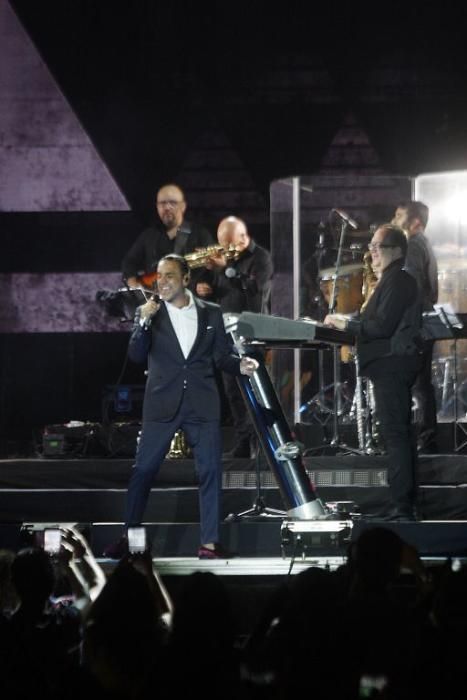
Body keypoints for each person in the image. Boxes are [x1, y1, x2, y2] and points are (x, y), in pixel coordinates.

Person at [104, 254, 258, 560]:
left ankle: (209, 543)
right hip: (162, 404)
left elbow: (219, 357)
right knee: (144, 471)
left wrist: (240, 364)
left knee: (211, 471)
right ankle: (130, 537)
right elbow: (136, 355)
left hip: (202, 403)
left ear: (186, 279)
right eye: (160, 277)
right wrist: (144, 320)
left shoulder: (211, 312)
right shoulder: (150, 312)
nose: (162, 282)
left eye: (170, 276)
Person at [324, 224, 423, 521]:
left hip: (392, 365)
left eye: (377, 247)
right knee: (398, 435)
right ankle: (404, 504)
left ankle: (402, 507)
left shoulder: (399, 281)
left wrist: (344, 324)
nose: (371, 253)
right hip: (388, 365)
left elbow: (382, 327)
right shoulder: (390, 281)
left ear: (396, 251)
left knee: (396, 436)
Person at [208, 216, 273, 458]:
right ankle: (244, 442)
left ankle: (262, 444)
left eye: (228, 244)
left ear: (243, 238)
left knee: (254, 389)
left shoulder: (261, 258)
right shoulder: (228, 261)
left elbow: (255, 289)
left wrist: (226, 268)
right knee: (232, 390)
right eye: (222, 244)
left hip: (251, 332)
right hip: (226, 332)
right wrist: (208, 287)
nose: (225, 249)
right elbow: (223, 292)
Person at [392, 201, 439, 452]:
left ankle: (423, 439)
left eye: (399, 215)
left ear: (416, 223)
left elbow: (410, 285)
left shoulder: (412, 245)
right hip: (423, 322)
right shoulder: (425, 244)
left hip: (414, 323)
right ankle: (427, 438)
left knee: (417, 384)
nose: (394, 219)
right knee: (422, 384)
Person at [121, 182, 214, 297]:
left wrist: (205, 281)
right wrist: (134, 284)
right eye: (162, 203)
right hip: (155, 303)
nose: (167, 207)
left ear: (183, 206)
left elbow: (215, 271)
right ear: (157, 207)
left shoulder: (200, 234)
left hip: (189, 302)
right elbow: (129, 262)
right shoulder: (149, 235)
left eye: (172, 203)